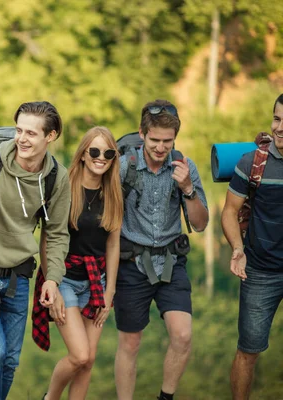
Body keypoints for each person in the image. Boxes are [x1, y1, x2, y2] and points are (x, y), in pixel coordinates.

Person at [0, 101, 71, 400]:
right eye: (18, 130)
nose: (22, 139)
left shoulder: (56, 177)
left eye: (31, 133)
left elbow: (56, 234)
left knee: (11, 360)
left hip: (19, 277)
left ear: (50, 136)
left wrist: (52, 279)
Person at [113, 100, 209, 400]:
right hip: (131, 263)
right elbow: (105, 217)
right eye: (154, 140)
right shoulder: (123, 167)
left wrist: (188, 190)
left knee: (182, 335)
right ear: (142, 134)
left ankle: (165, 397)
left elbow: (202, 223)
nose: (160, 147)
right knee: (131, 343)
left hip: (171, 261)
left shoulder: (184, 166)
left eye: (168, 141)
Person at [41, 126, 123, 399]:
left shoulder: (113, 192)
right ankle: (50, 397)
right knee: (79, 354)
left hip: (96, 283)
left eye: (108, 153)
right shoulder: (65, 186)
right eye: (95, 151)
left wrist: (109, 291)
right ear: (84, 154)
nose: (101, 157)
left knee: (89, 361)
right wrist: (51, 286)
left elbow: (113, 243)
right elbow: (47, 240)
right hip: (65, 279)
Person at [221, 94, 283, 400]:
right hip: (260, 272)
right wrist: (237, 248)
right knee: (248, 352)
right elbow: (229, 211)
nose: (280, 127)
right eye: (277, 119)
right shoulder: (252, 162)